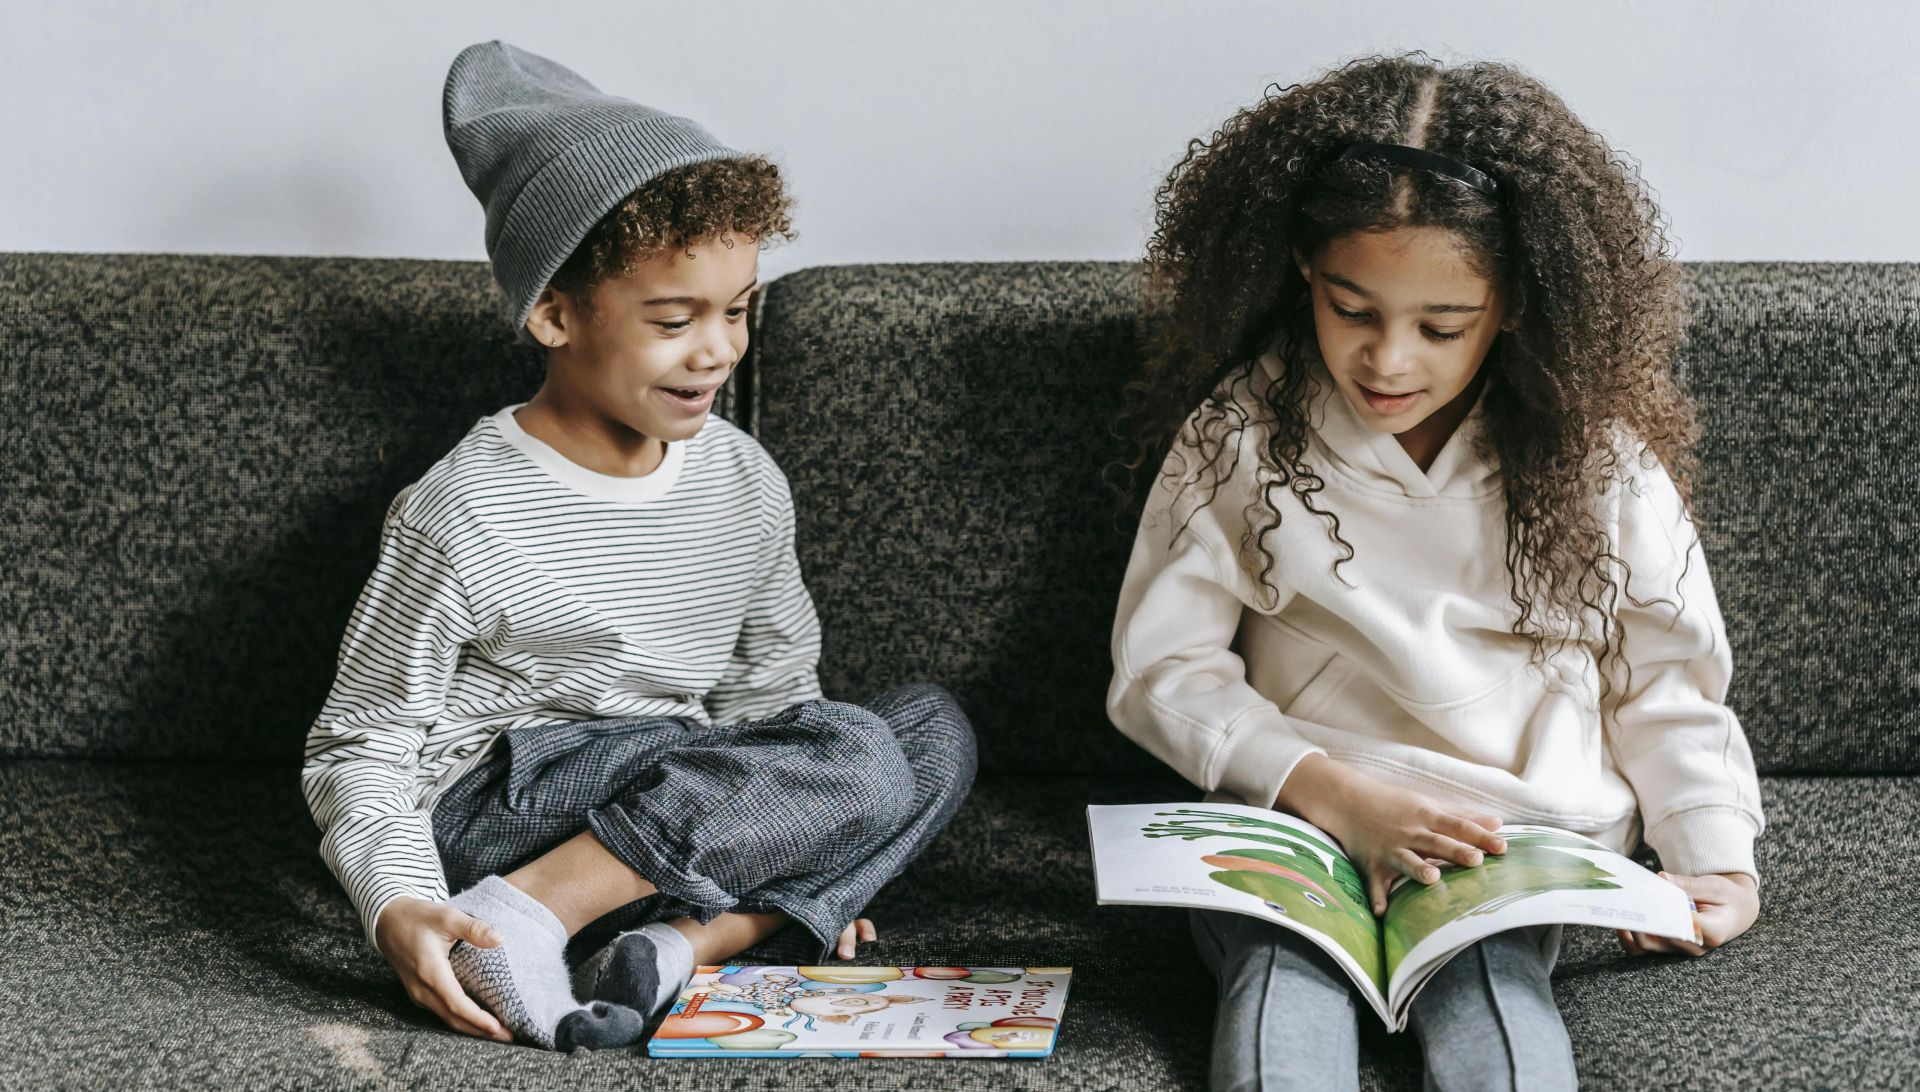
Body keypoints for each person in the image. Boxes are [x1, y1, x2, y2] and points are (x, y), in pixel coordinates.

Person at [302, 40, 975, 1052]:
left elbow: (775, 704)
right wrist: (395, 903)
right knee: (853, 758)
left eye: (739, 311)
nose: (719, 350)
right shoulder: (464, 510)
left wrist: (816, 817)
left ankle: (678, 943)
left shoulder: (745, 481)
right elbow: (360, 742)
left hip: (677, 805)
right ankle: (530, 912)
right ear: (554, 312)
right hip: (506, 803)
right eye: (675, 319)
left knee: (929, 730)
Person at [1107, 53, 1762, 1091]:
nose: (1388, 362)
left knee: (1496, 996)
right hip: (1297, 811)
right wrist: (1329, 794)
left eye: (1440, 327)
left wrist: (1714, 853)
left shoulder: (1596, 458)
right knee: (1280, 984)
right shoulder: (1242, 433)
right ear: (1300, 274)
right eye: (1351, 309)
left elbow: (1666, 681)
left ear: (1509, 306)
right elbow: (1161, 672)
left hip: (1503, 838)